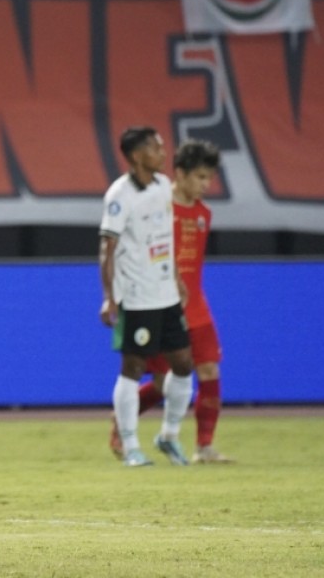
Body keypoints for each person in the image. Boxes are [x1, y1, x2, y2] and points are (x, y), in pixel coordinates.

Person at [109, 140, 233, 463]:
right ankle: (123, 422)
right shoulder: (158, 207)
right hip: (160, 302)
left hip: (196, 304)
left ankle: (204, 447)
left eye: (209, 178)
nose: (206, 185)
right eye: (200, 177)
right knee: (163, 380)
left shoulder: (203, 213)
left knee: (209, 369)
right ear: (180, 173)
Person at [99, 126, 195, 468]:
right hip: (137, 296)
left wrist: (177, 278)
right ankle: (130, 446)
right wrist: (109, 297)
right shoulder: (119, 195)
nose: (163, 153)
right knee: (133, 368)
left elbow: (165, 237)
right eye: (156, 148)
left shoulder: (162, 186)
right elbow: (107, 249)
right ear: (137, 156)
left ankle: (169, 436)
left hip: (166, 293)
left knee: (183, 363)